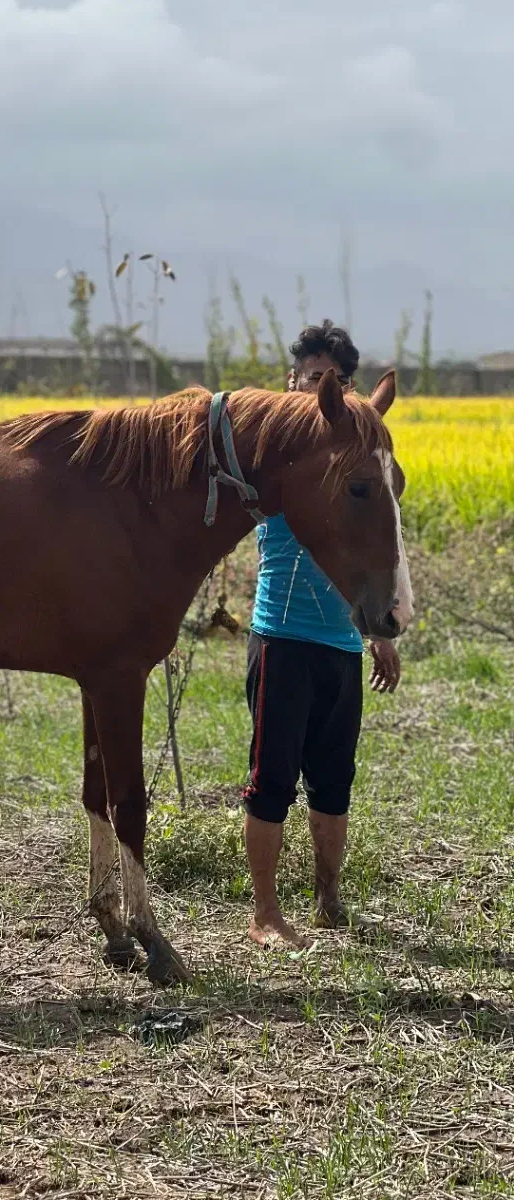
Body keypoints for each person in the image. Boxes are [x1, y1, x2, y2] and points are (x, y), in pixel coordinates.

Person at [242, 321, 401, 948]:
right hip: (282, 639)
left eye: (333, 379)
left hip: (339, 644)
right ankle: (263, 912)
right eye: (312, 376)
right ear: (294, 382)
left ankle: (329, 898)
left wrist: (380, 634)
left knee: (334, 780)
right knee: (272, 781)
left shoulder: (352, 461)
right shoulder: (276, 458)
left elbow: (369, 552)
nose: (320, 387)